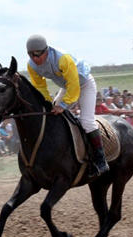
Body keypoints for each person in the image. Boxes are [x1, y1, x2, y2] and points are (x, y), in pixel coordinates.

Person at [25, 34, 108, 176]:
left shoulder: (63, 58)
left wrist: (63, 105)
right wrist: (48, 103)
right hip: (66, 86)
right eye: (31, 55)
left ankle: (101, 161)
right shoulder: (31, 65)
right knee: (52, 116)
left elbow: (74, 86)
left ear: (46, 51)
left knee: (86, 122)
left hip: (84, 83)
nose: (35, 59)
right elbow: (40, 87)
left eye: (38, 55)